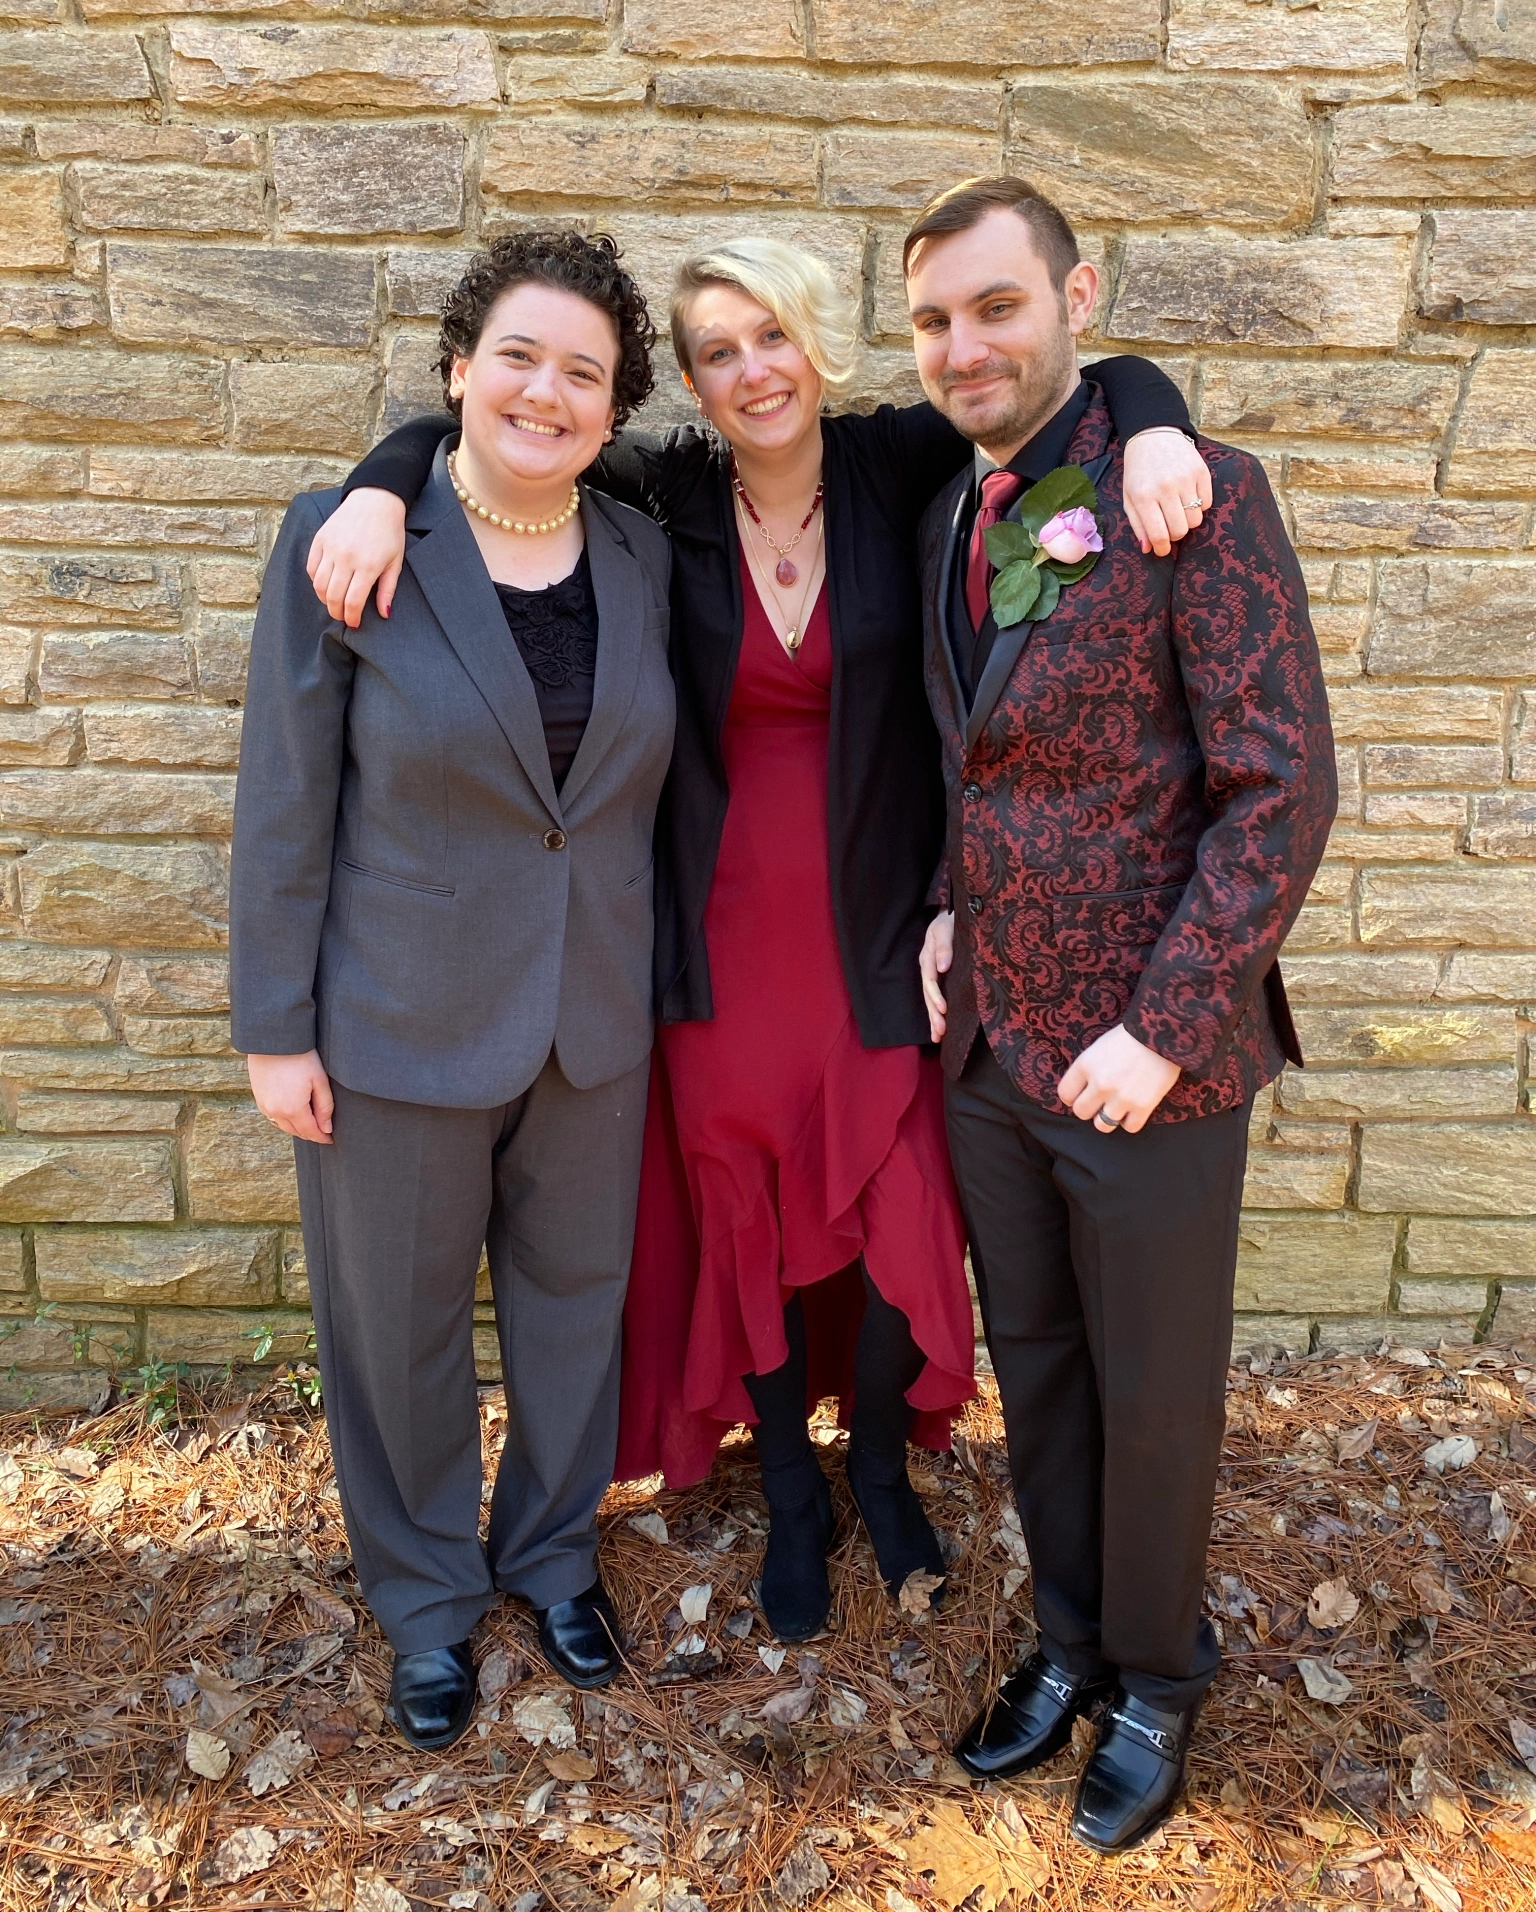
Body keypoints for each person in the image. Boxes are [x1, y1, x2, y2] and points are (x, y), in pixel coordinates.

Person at [300, 238, 1209, 1645]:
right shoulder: (660, 493)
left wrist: (1155, 425)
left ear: (817, 343)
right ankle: (789, 1487)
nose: (751, 372)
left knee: (903, 1188)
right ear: (692, 382)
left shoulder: (902, 464)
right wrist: (380, 473)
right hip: (710, 935)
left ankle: (880, 1469)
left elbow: (1073, 439)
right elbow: (501, 434)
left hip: (879, 918)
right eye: (717, 351)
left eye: (770, 337)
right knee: (749, 1204)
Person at [905, 177, 1336, 1850]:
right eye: (937, 318)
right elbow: (974, 763)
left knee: (1155, 1390)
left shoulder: (1194, 492)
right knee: (1047, 1374)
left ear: (1080, 297)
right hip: (994, 1053)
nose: (965, 345)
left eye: (997, 306)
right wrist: (943, 910)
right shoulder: (956, 514)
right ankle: (1073, 1636)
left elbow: (1278, 788)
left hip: (1150, 1061)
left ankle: (1161, 1671)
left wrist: (1162, 1025)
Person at [230, 229, 676, 1752]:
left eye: (585, 373)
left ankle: (549, 1557)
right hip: (396, 1018)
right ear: (456, 369)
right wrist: (273, 1027)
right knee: (396, 1327)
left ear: (616, 411)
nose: (546, 394)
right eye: (518, 358)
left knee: (574, 1312)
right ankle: (425, 1599)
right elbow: (284, 802)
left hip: (594, 1016)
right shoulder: (355, 540)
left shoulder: (638, 549)